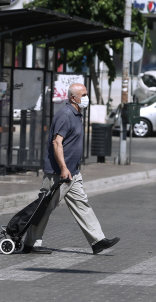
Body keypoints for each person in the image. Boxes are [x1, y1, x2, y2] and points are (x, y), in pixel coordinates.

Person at [23, 83, 120, 255]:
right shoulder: (66, 115)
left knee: (82, 204)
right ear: (73, 98)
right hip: (59, 173)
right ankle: (29, 243)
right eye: (83, 95)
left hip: (72, 172)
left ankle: (98, 241)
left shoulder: (77, 114)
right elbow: (56, 142)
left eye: (86, 94)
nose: (86, 97)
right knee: (44, 208)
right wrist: (63, 168)